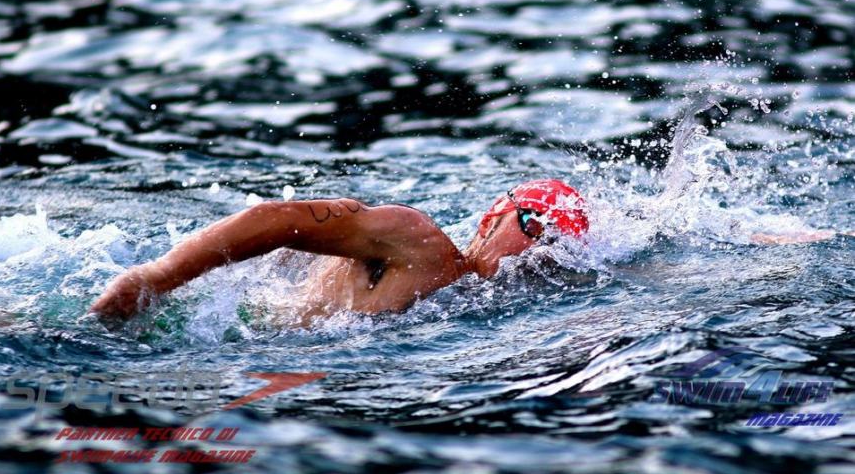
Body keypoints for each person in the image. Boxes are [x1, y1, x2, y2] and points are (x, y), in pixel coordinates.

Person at [90, 179, 589, 326]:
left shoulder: (492, 311)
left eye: (559, 241)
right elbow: (274, 219)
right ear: (493, 220)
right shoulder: (418, 241)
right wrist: (156, 277)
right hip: (201, 328)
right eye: (534, 226)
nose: (543, 247)